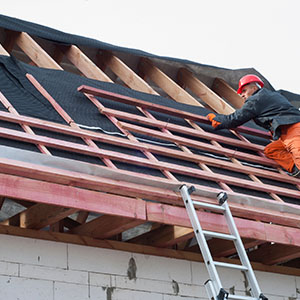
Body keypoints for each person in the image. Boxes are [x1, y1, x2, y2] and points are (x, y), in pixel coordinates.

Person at [206, 74, 300, 177]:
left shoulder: (256, 99)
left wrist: (217, 120)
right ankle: (296, 169)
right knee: (271, 150)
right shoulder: (271, 96)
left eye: (244, 91)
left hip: (294, 130)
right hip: (286, 132)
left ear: (254, 88)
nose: (242, 95)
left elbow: (235, 119)